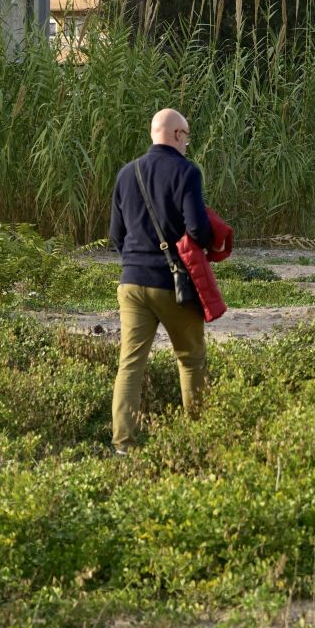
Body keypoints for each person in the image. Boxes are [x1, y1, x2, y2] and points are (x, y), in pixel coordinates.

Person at [107, 107, 213, 451]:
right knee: (191, 359)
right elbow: (198, 229)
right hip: (173, 284)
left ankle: (123, 444)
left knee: (130, 365)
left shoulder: (126, 173)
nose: (188, 144)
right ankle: (197, 440)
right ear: (177, 135)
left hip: (131, 283)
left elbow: (115, 236)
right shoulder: (187, 172)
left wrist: (138, 259)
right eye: (187, 136)